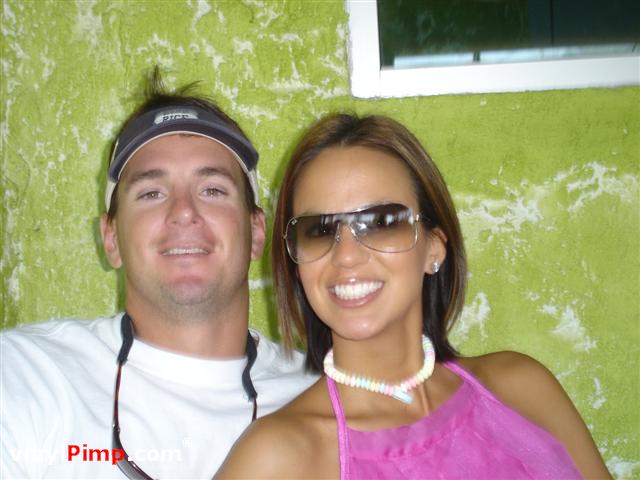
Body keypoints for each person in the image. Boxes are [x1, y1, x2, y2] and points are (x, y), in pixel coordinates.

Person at [216, 113, 611, 479]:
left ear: (434, 247)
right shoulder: (276, 458)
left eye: (382, 222)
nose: (346, 255)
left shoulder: (522, 390)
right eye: (319, 230)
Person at [0, 71, 316, 479]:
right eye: (151, 193)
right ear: (111, 238)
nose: (183, 211)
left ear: (256, 232)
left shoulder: (324, 400)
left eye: (213, 189)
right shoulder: (24, 375)